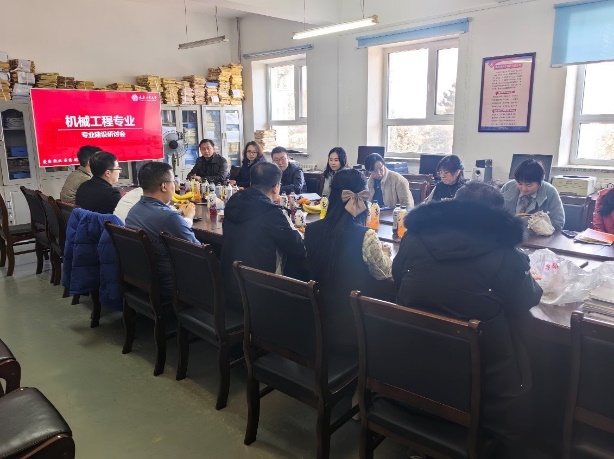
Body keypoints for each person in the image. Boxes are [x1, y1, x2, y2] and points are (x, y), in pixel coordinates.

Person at [392, 181, 543, 458]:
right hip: (479, 384)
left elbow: (398, 277)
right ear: (498, 217)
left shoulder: (414, 237)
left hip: (410, 366)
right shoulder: (506, 254)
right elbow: (527, 299)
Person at [305, 168, 392, 350]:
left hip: (316, 323)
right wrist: (385, 253)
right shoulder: (366, 235)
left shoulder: (311, 230)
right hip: (353, 328)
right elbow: (384, 273)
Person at [221, 161, 306, 309]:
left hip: (229, 289)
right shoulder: (272, 212)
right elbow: (298, 247)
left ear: (251, 182)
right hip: (260, 297)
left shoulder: (233, 201)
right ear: (276, 187)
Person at [125, 161, 199, 296]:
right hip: (171, 283)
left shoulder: (134, 210)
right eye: (173, 181)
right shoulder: (169, 217)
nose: (175, 185)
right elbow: (198, 252)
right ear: (164, 186)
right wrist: (188, 217)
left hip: (143, 278)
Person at [501, 159, 565, 230]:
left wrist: (529, 222)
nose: (523, 189)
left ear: (540, 183)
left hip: (537, 235)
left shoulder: (550, 192)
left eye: (528, 185)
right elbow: (496, 213)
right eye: (520, 184)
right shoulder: (508, 187)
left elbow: (558, 223)